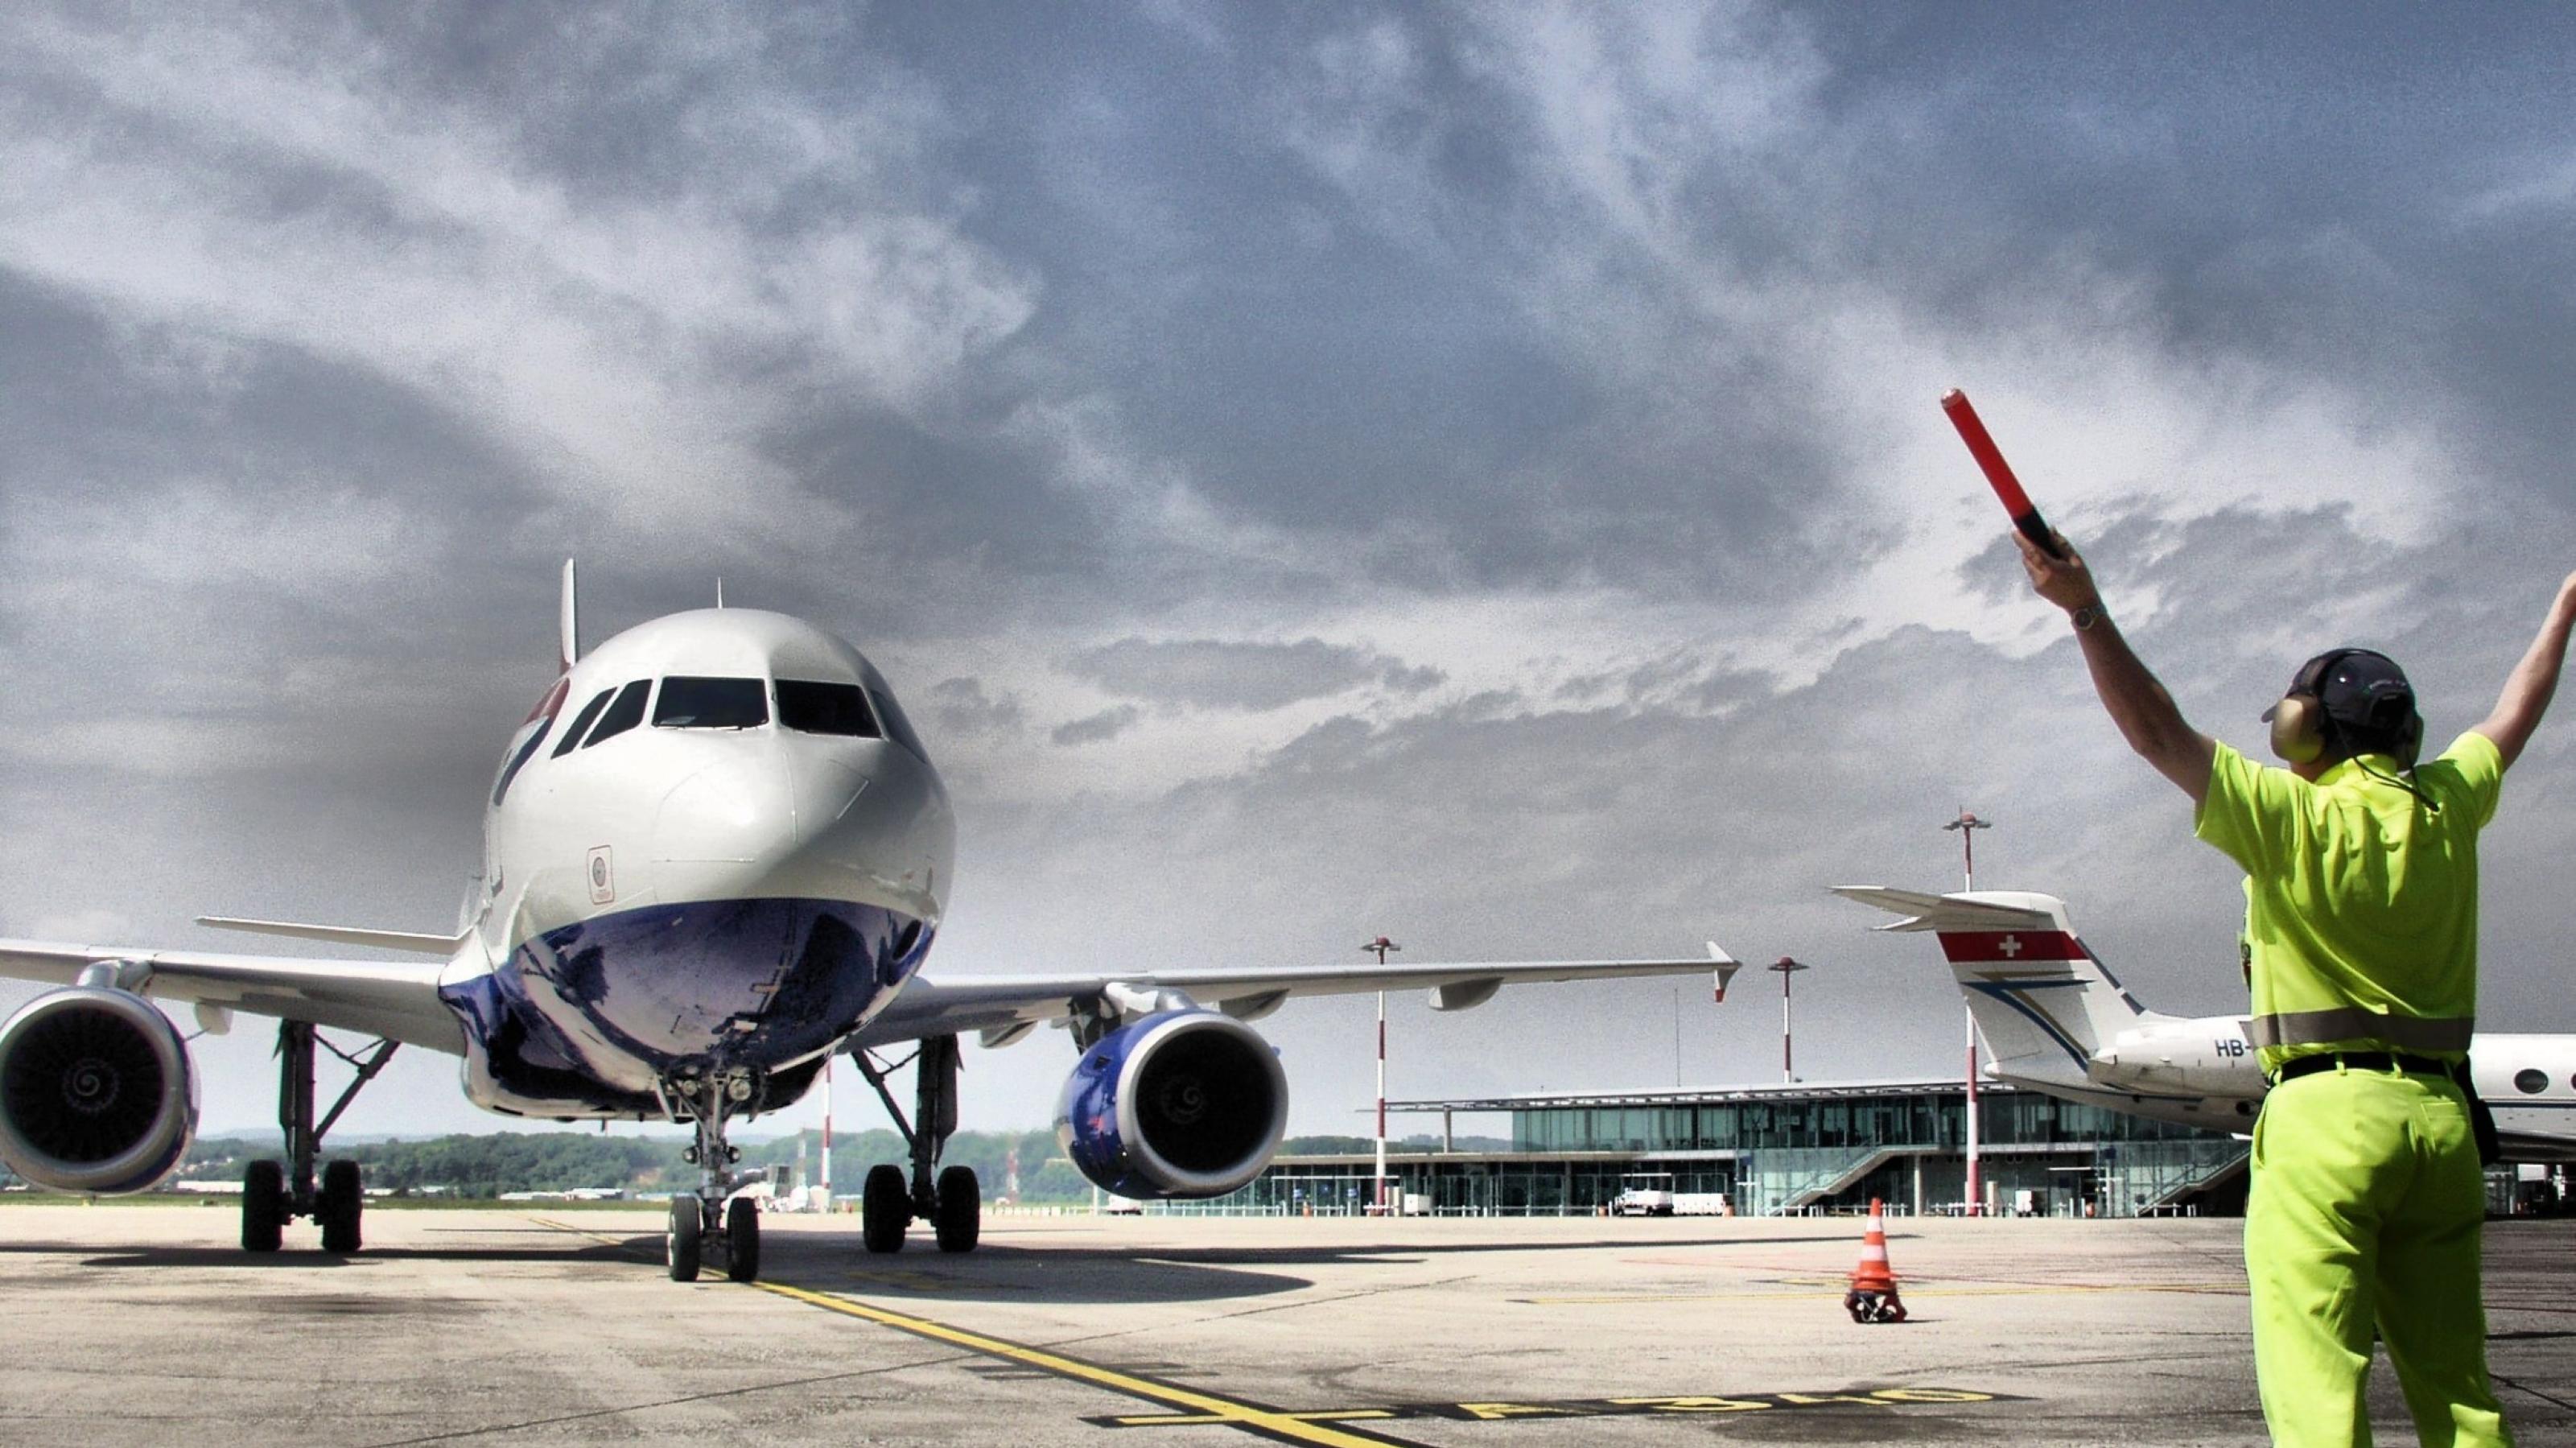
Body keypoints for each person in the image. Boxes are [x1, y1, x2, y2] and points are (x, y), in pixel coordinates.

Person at [2018, 526, 2576, 1448]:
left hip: (2324, 1119)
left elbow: (2156, 729)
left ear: (2303, 728)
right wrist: (2563, 609)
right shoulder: (2449, 805)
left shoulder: (2286, 812)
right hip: (2442, 1124)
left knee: (2317, 1382)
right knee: (2458, 1385)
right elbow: (2515, 712)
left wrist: (2085, 610)